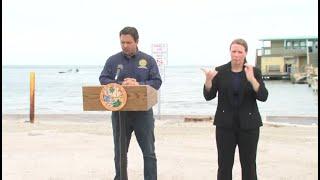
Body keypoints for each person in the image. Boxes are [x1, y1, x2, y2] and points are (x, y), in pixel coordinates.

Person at [99, 26, 162, 180]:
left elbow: (157, 81)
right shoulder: (113, 60)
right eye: (122, 42)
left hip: (143, 114)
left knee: (149, 152)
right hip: (120, 113)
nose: (125, 46)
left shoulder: (148, 60)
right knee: (120, 152)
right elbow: (103, 79)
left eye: (128, 42)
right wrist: (120, 83)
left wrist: (138, 84)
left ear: (137, 41)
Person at [202, 38, 268, 180]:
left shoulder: (254, 71)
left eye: (240, 52)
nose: (236, 55)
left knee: (249, 165)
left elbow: (263, 96)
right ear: (230, 52)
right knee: (224, 165)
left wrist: (251, 79)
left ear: (246, 53)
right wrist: (208, 80)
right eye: (234, 51)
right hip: (225, 125)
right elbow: (209, 95)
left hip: (249, 125)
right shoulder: (220, 71)